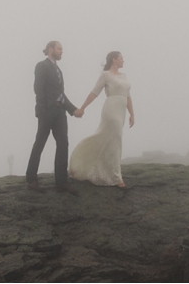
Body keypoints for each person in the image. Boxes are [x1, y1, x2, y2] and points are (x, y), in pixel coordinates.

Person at [68, 51, 135, 188]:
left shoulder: (124, 76)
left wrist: (132, 114)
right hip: (111, 111)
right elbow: (94, 92)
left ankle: (99, 168)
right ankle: (117, 178)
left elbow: (128, 96)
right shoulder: (106, 75)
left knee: (106, 138)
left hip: (121, 111)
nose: (123, 61)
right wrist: (83, 107)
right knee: (116, 139)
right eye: (121, 58)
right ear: (114, 60)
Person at [26, 41, 81, 195]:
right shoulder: (41, 66)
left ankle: (62, 182)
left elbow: (60, 94)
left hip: (60, 112)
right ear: (50, 49)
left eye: (62, 48)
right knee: (40, 143)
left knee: (63, 144)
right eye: (59, 48)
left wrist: (73, 109)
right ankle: (31, 180)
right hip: (47, 111)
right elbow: (38, 88)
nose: (62, 51)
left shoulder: (58, 70)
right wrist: (41, 110)